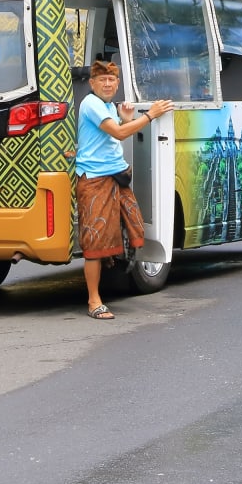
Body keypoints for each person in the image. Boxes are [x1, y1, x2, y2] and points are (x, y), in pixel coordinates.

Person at [74, 59, 173, 319]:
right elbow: (117, 134)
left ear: (117, 84)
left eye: (111, 80)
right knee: (94, 242)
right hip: (94, 180)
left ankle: (121, 262)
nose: (107, 84)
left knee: (135, 225)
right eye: (102, 80)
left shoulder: (107, 106)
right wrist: (149, 115)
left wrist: (125, 117)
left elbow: (113, 133)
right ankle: (94, 301)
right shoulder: (92, 104)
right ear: (92, 83)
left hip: (116, 178)